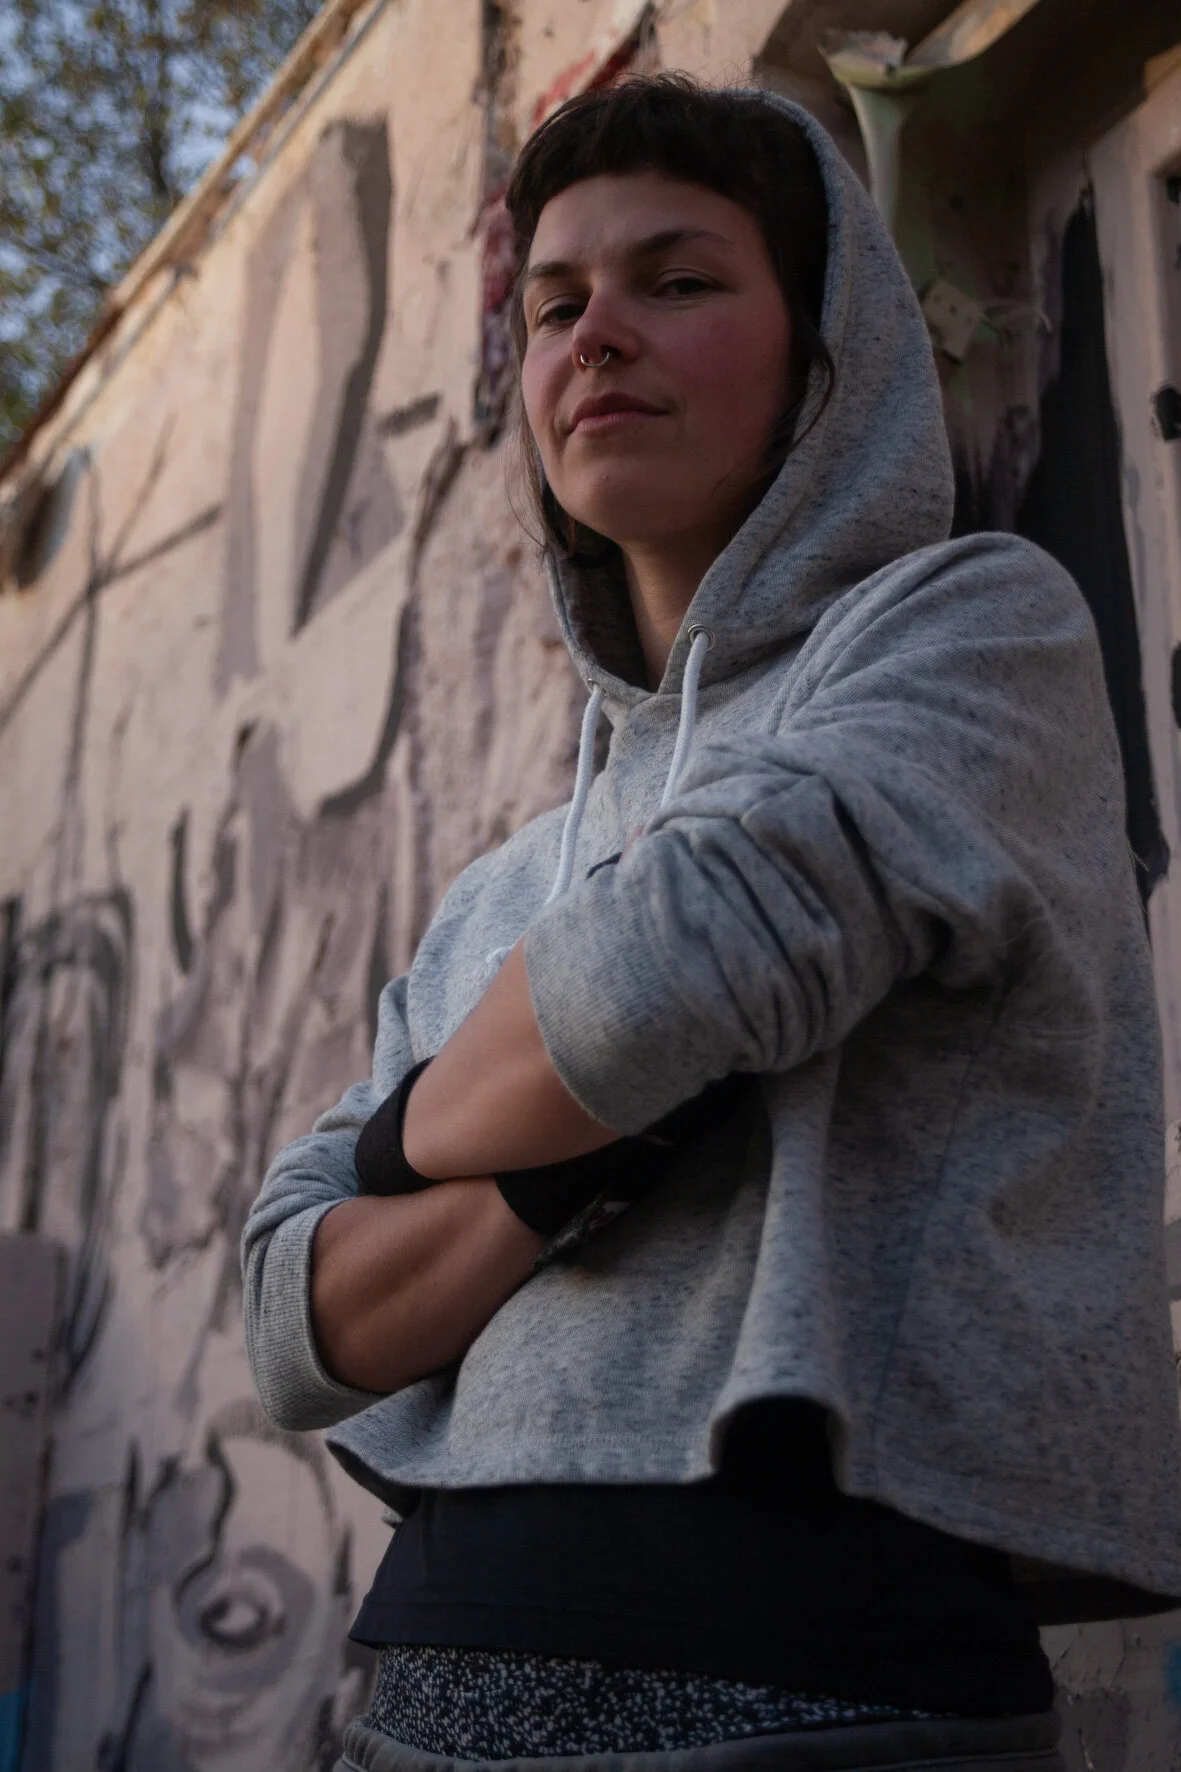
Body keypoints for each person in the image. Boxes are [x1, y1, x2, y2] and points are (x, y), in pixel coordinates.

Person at [242, 75, 1181, 1772]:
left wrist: (431, 1151)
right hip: (421, 1702)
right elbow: (286, 1326)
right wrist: (559, 1157)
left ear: (829, 362)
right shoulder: (501, 890)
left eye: (676, 281)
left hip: (816, 1683)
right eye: (554, 306)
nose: (597, 334)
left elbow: (685, 961)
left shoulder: (973, 628)